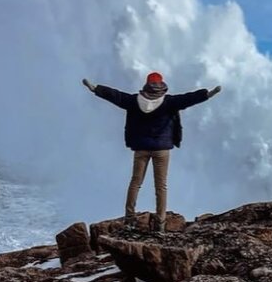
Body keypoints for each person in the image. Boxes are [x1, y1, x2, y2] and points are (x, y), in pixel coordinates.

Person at [82, 71, 221, 233]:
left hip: (141, 148)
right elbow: (188, 98)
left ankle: (129, 220)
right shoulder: (169, 102)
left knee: (135, 183)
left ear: (146, 84)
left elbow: (116, 96)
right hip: (162, 150)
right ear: (162, 84)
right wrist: (208, 94)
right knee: (161, 186)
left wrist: (95, 88)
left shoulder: (134, 101)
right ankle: (160, 224)